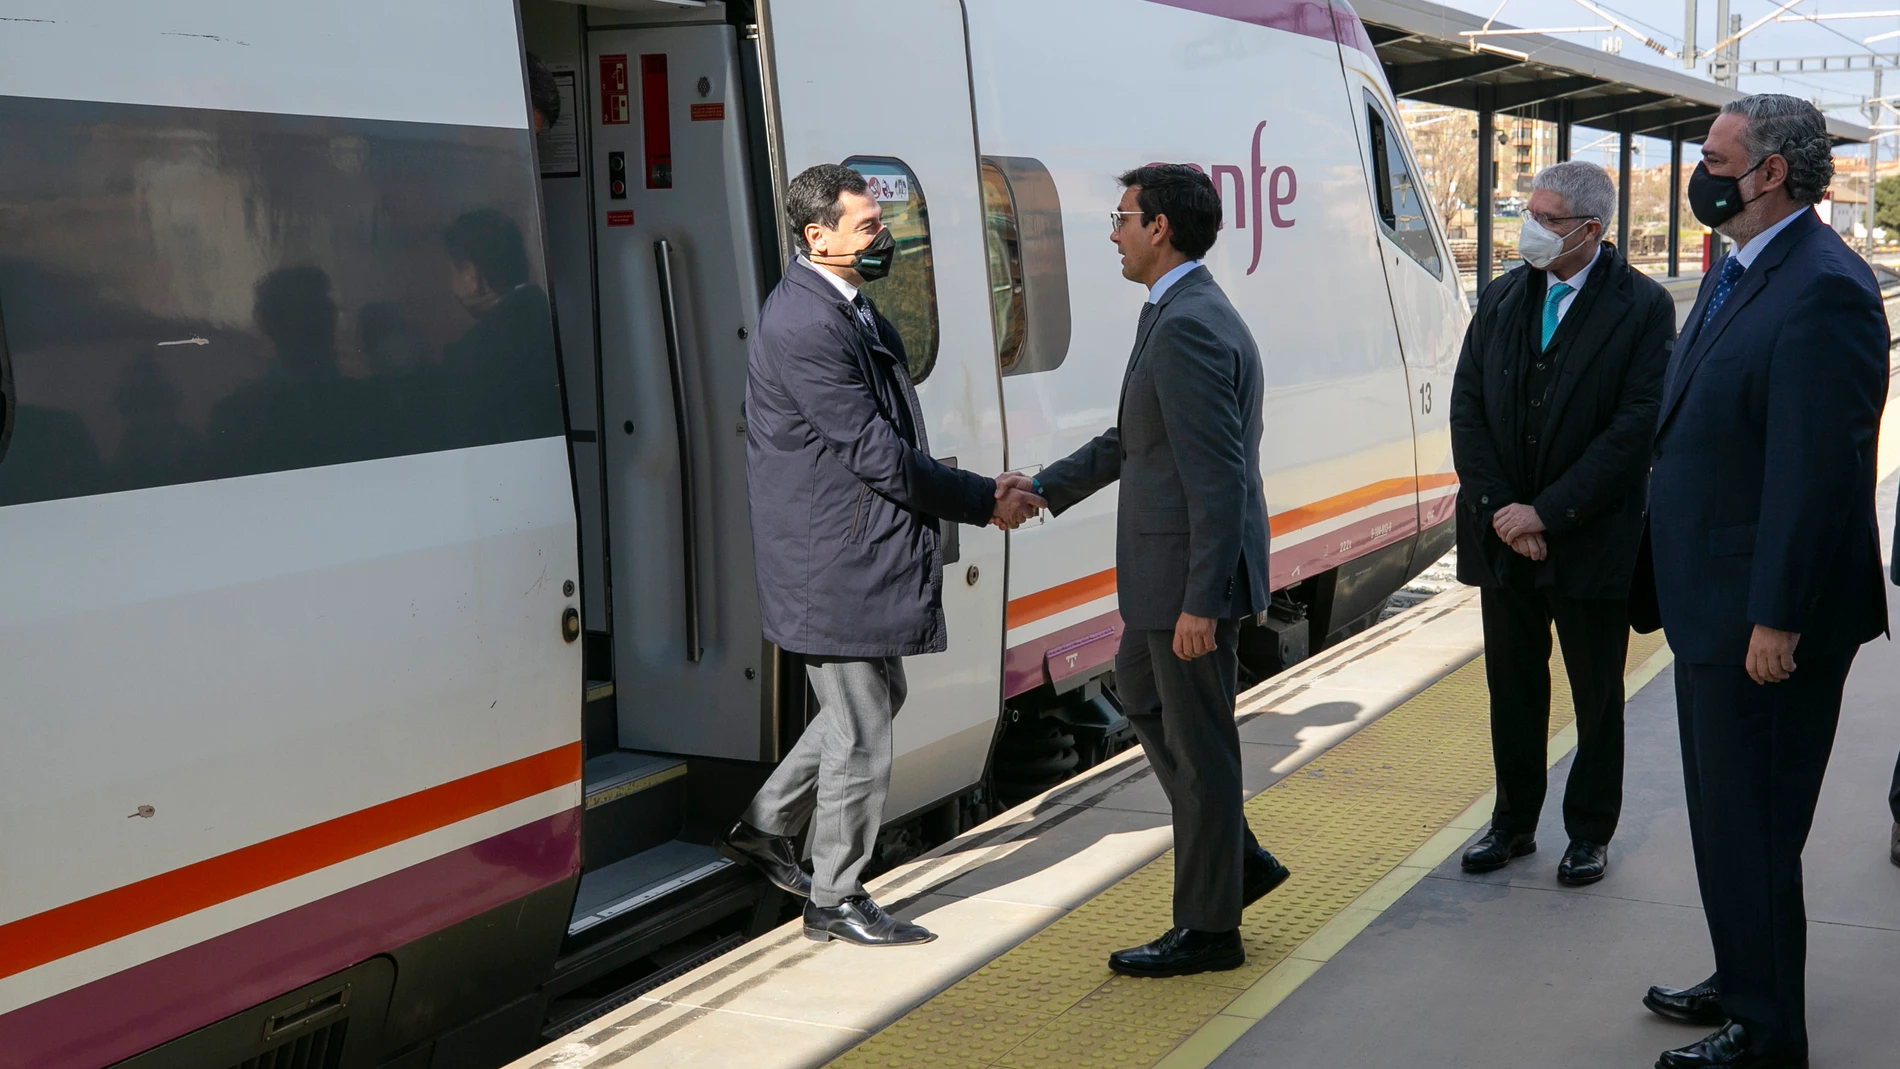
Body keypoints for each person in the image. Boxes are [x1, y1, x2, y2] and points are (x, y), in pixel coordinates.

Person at [719, 164, 1043, 947]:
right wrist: (979, 498)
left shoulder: (846, 306)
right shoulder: (806, 325)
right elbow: (879, 456)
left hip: (844, 548)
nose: (884, 238)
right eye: (867, 226)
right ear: (816, 236)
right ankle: (833, 896)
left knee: (873, 698)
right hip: (827, 560)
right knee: (863, 722)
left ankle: (766, 822)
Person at [1636, 94, 1888, 1069]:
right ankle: (1739, 976)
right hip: (1712, 601)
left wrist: (1775, 617)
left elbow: (1816, 475)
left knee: (1754, 824)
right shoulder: (1745, 270)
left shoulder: (1822, 285)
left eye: (1713, 155)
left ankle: (1769, 1032)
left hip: (1764, 618)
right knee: (1724, 818)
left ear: (1769, 171)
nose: (1700, 171)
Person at [1027, 164, 1287, 978]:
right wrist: (1040, 488)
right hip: (1162, 579)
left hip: (1184, 582)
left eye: (1122, 217)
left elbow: (1217, 479)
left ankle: (1210, 928)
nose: (1113, 233)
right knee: (1137, 691)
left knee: (1201, 749)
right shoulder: (1177, 312)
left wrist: (1201, 602)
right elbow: (1132, 442)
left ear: (1160, 227)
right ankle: (1232, 856)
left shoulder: (1186, 326)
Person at [1448, 160, 1673, 887]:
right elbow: (1467, 409)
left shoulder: (1641, 307)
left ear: (1591, 230)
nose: (1530, 229)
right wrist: (1501, 512)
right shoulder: (1504, 295)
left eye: (1546, 219)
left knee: (1596, 693)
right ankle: (1512, 822)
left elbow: (1635, 428)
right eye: (1530, 212)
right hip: (1501, 538)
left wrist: (1545, 511)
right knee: (1511, 687)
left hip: (1591, 539)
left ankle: (1589, 831)